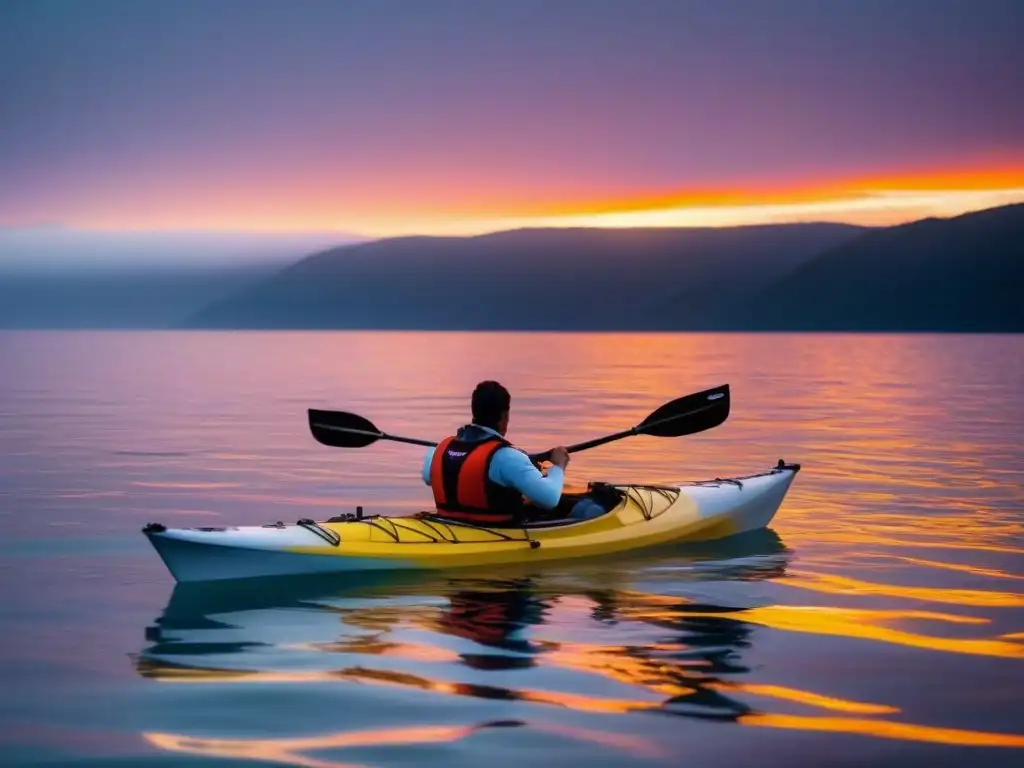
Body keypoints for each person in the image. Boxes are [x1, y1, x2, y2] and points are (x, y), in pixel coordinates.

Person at [421, 380, 576, 526]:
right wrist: (558, 464)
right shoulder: (507, 457)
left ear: (474, 410)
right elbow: (549, 499)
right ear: (504, 416)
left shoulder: (438, 450)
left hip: (448, 525)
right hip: (495, 533)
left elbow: (429, 477)